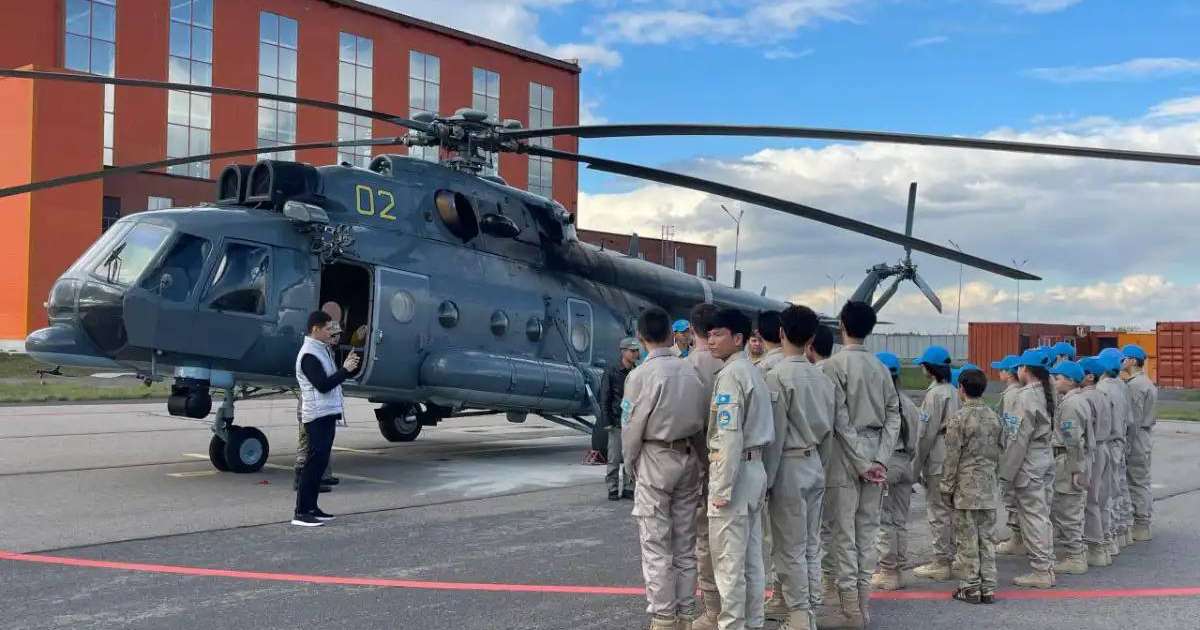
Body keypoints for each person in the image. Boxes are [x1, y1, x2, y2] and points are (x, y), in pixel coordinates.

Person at [815, 301, 900, 629]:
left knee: (842, 534)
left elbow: (838, 419)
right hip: (876, 448)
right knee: (867, 532)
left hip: (844, 456)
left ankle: (850, 610)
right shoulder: (880, 367)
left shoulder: (832, 366)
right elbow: (894, 413)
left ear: (842, 325)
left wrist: (862, 461)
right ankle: (862, 607)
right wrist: (880, 457)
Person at [622, 308, 708, 630]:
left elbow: (631, 429)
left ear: (642, 338)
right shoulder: (690, 371)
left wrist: (630, 464)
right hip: (688, 457)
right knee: (685, 544)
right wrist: (703, 462)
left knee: (657, 545)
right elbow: (701, 424)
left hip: (657, 460)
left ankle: (663, 618)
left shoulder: (641, 376)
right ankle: (687, 615)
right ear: (672, 335)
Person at [762, 305, 834, 630]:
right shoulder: (822, 377)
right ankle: (811, 607)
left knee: (789, 546)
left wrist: (767, 478)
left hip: (788, 464)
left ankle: (800, 614)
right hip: (815, 461)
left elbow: (774, 436)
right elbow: (830, 432)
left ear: (781, 333)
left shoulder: (776, 377)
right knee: (810, 542)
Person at [706, 308, 775, 630]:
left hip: (735, 472)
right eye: (708, 334)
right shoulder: (751, 371)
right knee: (750, 560)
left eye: (718, 334)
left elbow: (729, 435)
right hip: (754, 468)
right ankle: (753, 622)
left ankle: (732, 625)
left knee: (728, 563)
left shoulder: (732, 375)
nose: (711, 341)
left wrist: (721, 488)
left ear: (738, 339)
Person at [941, 368, 1004, 605]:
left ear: (961, 389)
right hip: (987, 486)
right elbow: (1000, 450)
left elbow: (951, 457)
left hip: (966, 488)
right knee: (986, 539)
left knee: (967, 539)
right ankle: (988, 587)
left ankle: (970, 587)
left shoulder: (958, 418)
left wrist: (946, 488)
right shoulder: (994, 416)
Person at [292, 310, 359, 527]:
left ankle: (312, 507)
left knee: (320, 464)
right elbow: (322, 385)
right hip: (317, 415)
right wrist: (344, 370)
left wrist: (346, 369)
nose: (331, 332)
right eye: (328, 328)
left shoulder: (322, 350)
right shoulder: (309, 354)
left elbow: (332, 380)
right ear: (315, 329)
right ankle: (301, 512)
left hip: (327, 413)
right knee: (313, 463)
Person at [998, 349, 1056, 588]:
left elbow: (1017, 438)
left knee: (1033, 516)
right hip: (1044, 455)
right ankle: (1045, 565)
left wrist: (1006, 473)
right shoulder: (1047, 389)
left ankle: (1042, 570)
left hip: (1029, 459)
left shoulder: (1025, 397)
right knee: (1041, 514)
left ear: (1024, 369)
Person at [687, 303, 728, 630]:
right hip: (734, 462)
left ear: (691, 329)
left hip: (701, 464)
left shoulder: (686, 367)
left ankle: (714, 610)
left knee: (705, 540)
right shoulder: (737, 366)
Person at [870, 352, 922, 593]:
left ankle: (888, 571)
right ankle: (899, 569)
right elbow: (916, 439)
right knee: (900, 520)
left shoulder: (880, 403)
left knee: (885, 520)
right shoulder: (908, 402)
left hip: (888, 461)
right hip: (906, 462)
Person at [911, 346, 960, 582]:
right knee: (951, 509)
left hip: (938, 454)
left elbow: (925, 434)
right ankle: (954, 556)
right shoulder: (953, 390)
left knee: (938, 510)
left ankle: (941, 561)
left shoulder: (935, 394)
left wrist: (916, 464)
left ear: (930, 368)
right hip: (954, 454)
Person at [1048, 360, 1091, 575]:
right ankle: (1074, 553)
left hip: (1067, 460)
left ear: (1070, 380)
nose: (1054, 382)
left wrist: (1075, 470)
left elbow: (1073, 440)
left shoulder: (1070, 405)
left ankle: (1075, 557)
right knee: (1068, 509)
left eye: (1058, 378)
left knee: (1068, 510)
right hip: (1070, 459)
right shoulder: (1076, 400)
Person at [1097, 348, 1133, 556]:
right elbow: (1129, 418)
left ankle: (1109, 538)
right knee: (1119, 489)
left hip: (1109, 442)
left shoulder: (1102, 389)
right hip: (1120, 439)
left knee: (1106, 494)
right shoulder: (1121, 386)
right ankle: (1122, 531)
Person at [1080, 357, 1114, 568]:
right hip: (1105, 446)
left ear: (1090, 376)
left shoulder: (1087, 398)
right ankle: (1105, 542)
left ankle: (1095, 547)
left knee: (1089, 500)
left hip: (1093, 449)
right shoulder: (1103, 395)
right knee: (1101, 498)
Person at [1121, 344, 1157, 542]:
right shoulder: (1146, 382)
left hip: (1136, 437)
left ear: (1133, 361)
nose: (1121, 362)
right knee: (1140, 480)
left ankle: (1141, 524)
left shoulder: (1135, 386)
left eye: (1124, 358)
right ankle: (1142, 521)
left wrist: (1126, 446)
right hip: (1144, 435)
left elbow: (1132, 420)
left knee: (1136, 481)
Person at [991, 355, 1025, 555]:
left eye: (1002, 369)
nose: (999, 372)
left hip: (1011, 450)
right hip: (1015, 450)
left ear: (1009, 373)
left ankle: (1017, 538)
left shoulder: (1012, 395)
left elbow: (1010, 427)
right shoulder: (1016, 392)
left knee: (1012, 496)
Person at [602, 337, 641, 501]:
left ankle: (628, 487)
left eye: (637, 351)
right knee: (614, 458)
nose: (635, 354)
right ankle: (612, 488)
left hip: (631, 422)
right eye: (632, 351)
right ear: (623, 352)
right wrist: (607, 421)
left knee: (630, 457)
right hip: (617, 421)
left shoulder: (637, 371)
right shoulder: (611, 371)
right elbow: (605, 396)